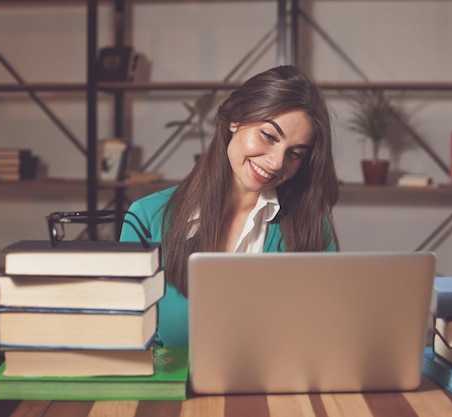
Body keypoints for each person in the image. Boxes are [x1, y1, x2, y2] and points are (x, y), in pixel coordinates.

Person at [120, 65, 339, 347]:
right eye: (269, 136)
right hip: (180, 390)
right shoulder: (147, 217)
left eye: (295, 154)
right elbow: (128, 342)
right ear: (235, 119)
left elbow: (325, 338)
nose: (276, 163)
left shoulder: (310, 226)